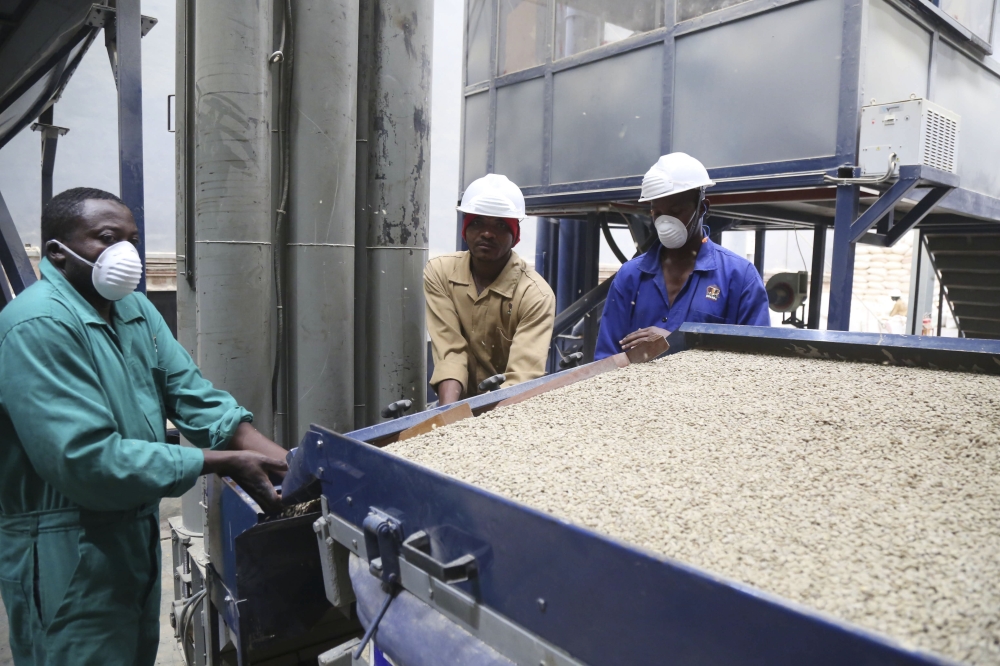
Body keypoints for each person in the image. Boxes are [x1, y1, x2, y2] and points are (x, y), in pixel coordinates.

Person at [0, 188, 289, 665]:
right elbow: (86, 461)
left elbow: (195, 397)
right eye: (107, 238)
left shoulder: (135, 312)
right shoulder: (37, 325)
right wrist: (221, 462)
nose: (125, 255)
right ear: (58, 252)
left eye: (132, 240)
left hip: (132, 536)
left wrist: (287, 464)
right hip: (65, 546)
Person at [595, 153, 770, 359]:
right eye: (657, 213)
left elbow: (757, 362)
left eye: (676, 211)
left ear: (702, 208)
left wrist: (677, 343)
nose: (665, 222)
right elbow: (606, 360)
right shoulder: (631, 276)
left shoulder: (739, 277)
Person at [424, 174, 555, 404]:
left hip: (509, 409)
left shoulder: (535, 295)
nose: (487, 233)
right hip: (457, 404)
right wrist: (447, 418)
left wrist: (486, 433)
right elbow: (450, 354)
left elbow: (521, 379)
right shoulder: (440, 273)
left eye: (501, 225)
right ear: (465, 229)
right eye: (477, 222)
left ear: (515, 236)